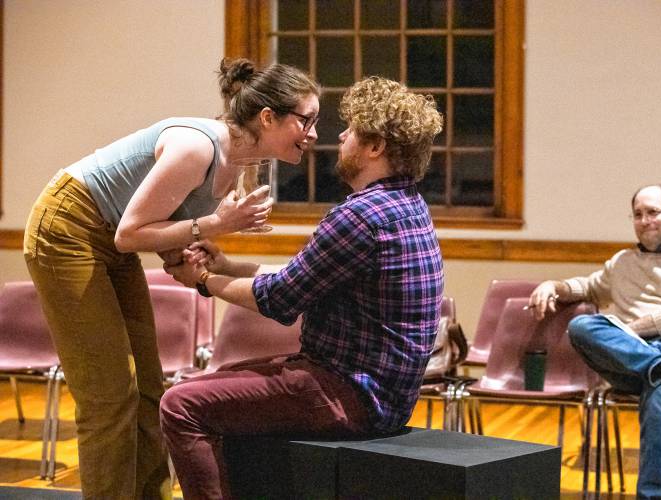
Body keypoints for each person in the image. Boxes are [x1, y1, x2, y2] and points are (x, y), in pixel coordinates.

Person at [23, 57, 320, 499]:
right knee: (109, 397)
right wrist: (215, 226)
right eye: (306, 120)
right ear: (267, 117)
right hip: (67, 228)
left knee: (148, 389)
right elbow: (130, 235)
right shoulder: (198, 148)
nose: (313, 133)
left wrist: (197, 252)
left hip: (110, 236)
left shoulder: (238, 161)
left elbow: (158, 228)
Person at [159, 76, 444, 500]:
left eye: (351, 130)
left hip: (349, 392)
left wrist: (202, 279)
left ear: (375, 147)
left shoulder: (362, 216)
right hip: (383, 395)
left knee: (181, 405)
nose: (341, 135)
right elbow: (303, 275)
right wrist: (227, 264)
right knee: (221, 378)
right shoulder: (408, 206)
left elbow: (280, 300)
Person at [528, 184, 661, 499]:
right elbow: (588, 286)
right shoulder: (622, 262)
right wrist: (554, 285)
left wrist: (628, 331)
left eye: (653, 212)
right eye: (638, 214)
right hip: (639, 359)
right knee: (581, 326)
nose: (645, 220)